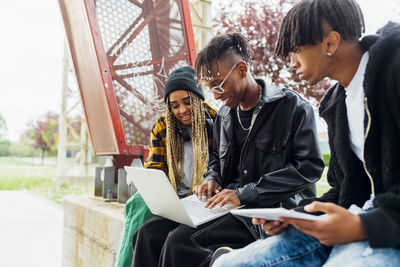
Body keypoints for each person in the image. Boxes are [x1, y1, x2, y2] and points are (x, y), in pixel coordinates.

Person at [212, 0, 400, 266]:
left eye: (297, 50)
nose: (291, 63)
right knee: (225, 264)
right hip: (355, 219)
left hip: (385, 228)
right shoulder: (336, 103)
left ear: (330, 43)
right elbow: (343, 189)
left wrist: (363, 226)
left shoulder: (393, 71)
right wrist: (296, 216)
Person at [131, 33, 324, 267]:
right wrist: (211, 178)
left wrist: (245, 193)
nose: (215, 95)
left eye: (219, 85)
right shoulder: (224, 116)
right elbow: (216, 161)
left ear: (242, 70)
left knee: (179, 243)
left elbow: (308, 168)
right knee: (147, 234)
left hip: (267, 212)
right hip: (228, 207)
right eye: (210, 88)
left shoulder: (293, 108)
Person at [115, 66, 217, 267]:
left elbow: (220, 168)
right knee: (138, 204)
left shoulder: (216, 122)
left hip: (200, 197)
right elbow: (155, 168)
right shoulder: (163, 126)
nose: (182, 110)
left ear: (198, 99)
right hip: (172, 193)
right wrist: (160, 191)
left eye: (187, 103)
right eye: (175, 105)